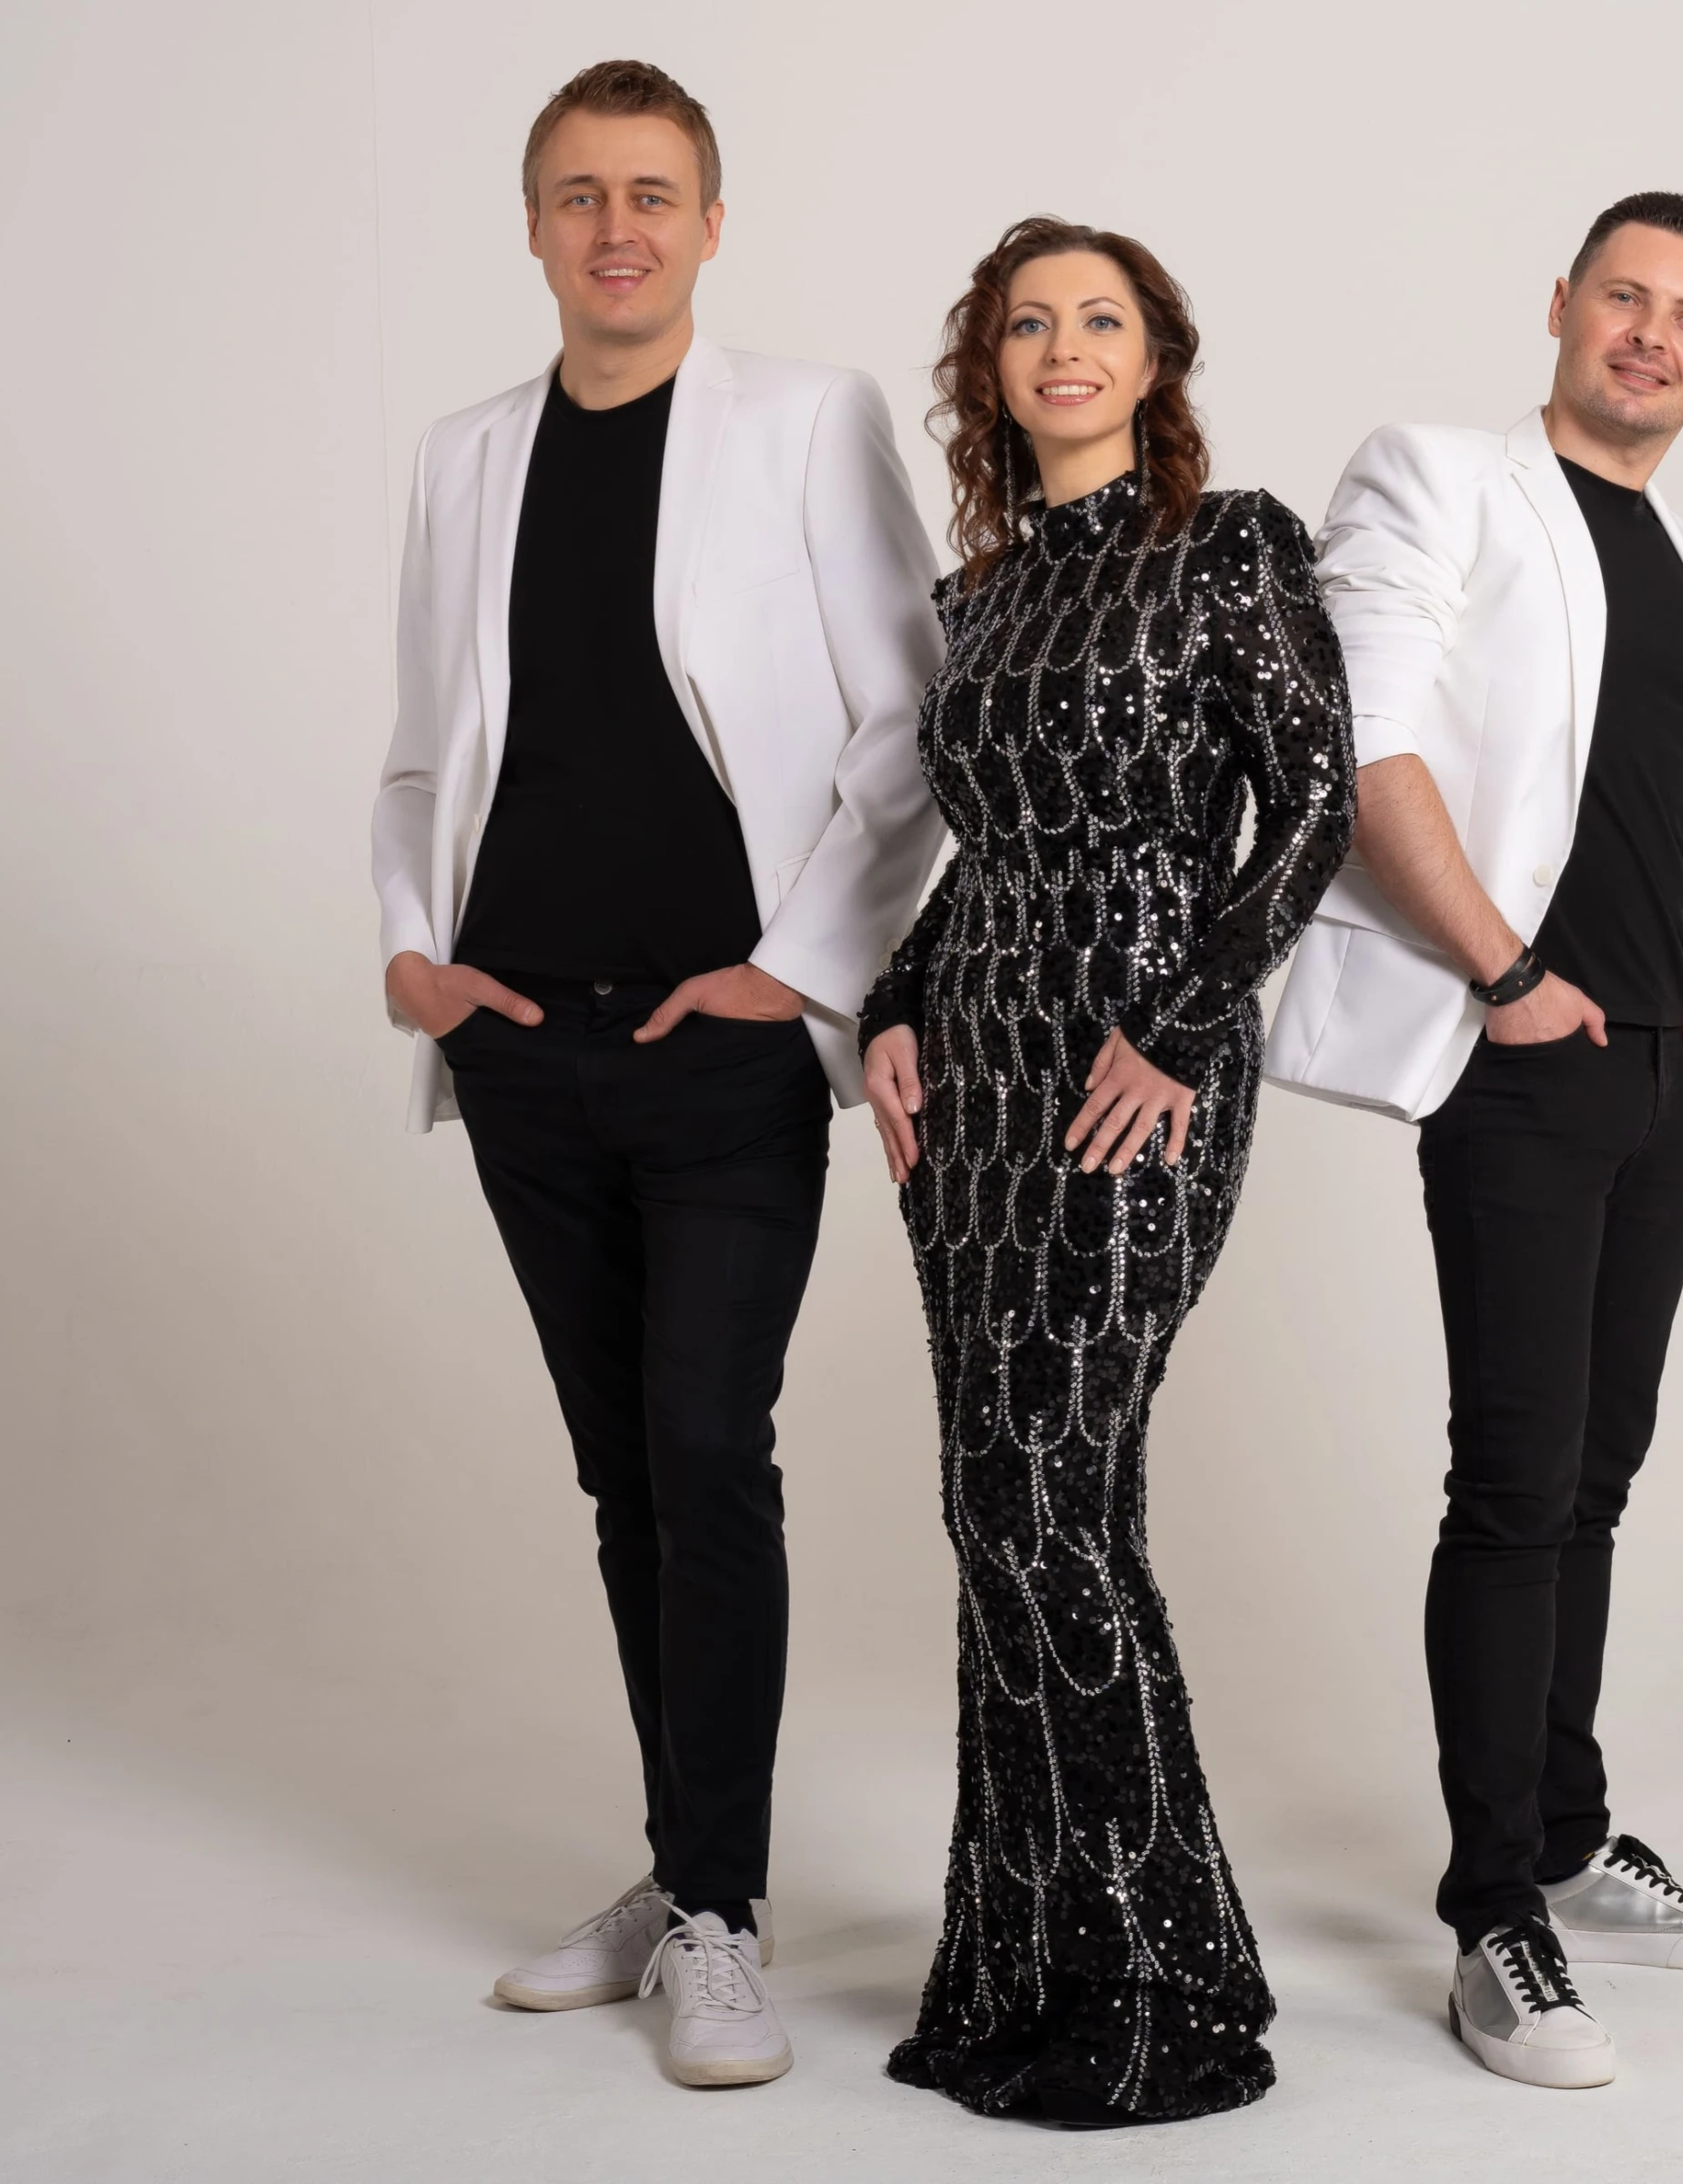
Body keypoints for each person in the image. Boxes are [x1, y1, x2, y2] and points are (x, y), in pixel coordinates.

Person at [369, 59, 943, 2088]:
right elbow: (427, 749)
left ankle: (719, 1913)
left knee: (706, 1449)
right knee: (625, 1471)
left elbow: (911, 723)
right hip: (523, 1045)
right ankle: (686, 1865)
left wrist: (792, 975)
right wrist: (416, 960)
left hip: (722, 1048)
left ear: (710, 223)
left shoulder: (807, 421)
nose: (616, 227)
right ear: (534, 226)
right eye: (579, 193)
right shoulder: (462, 455)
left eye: (652, 192)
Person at [1266, 192, 1683, 2089]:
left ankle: (1566, 1832)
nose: (1652, 334)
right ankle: (1496, 1915)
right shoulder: (1437, 480)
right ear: (1561, 306)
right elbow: (1366, 748)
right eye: (1624, 297)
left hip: (1662, 1062)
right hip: (1521, 1053)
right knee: (1514, 1481)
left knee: (1598, 1477)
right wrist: (1504, 970)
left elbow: (1655, 808)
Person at [859, 217, 1353, 2126]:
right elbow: (983, 847)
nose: (1063, 348)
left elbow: (1309, 804)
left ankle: (1166, 1979)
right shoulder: (978, 597)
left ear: (1156, 360)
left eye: (1100, 321)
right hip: (975, 1078)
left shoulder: (1229, 547)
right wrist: (894, 1003)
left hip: (1134, 1073)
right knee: (994, 1503)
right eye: (1027, 325)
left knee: (1054, 1500)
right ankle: (1023, 1961)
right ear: (990, 369)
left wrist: (1185, 1024)